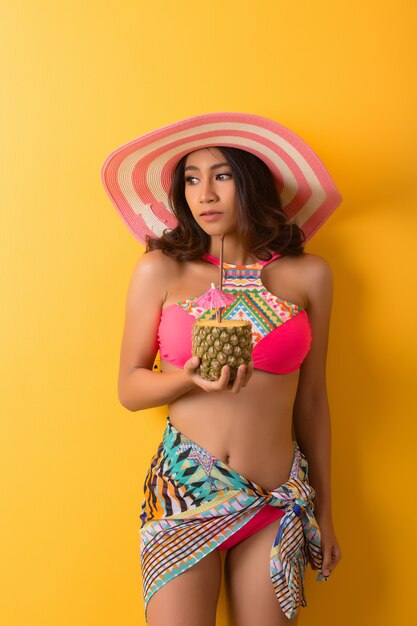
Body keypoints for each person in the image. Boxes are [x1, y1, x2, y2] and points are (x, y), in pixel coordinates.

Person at [101, 112, 343, 626]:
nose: (204, 194)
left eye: (222, 176)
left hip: (275, 496)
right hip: (184, 494)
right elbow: (129, 387)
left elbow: (314, 399)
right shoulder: (160, 269)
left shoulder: (308, 275)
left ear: (252, 182)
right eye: (191, 179)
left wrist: (324, 507)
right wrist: (191, 377)